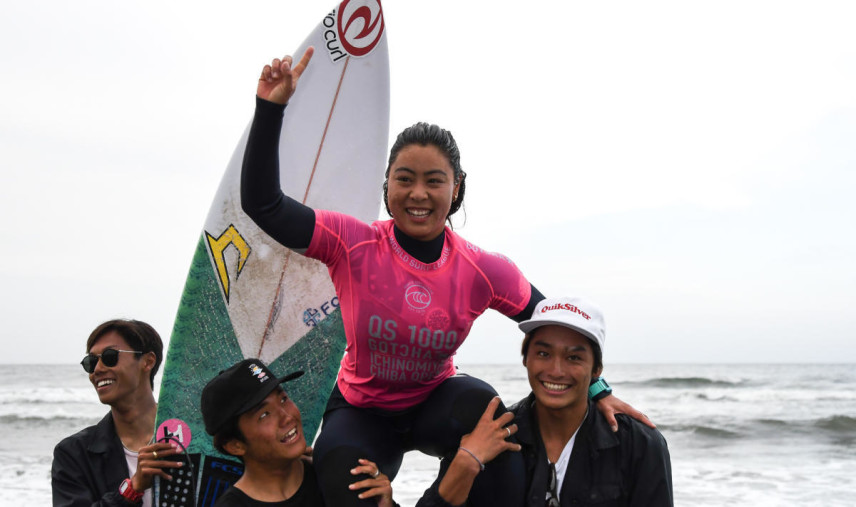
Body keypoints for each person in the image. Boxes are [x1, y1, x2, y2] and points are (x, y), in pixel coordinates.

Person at [241, 47, 650, 506]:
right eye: (404, 179)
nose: (419, 193)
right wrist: (269, 108)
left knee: (498, 426)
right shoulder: (351, 242)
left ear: (455, 189)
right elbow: (265, 206)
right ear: (388, 185)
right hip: (362, 410)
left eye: (434, 180)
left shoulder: (481, 269)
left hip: (437, 403)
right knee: (342, 484)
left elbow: (560, 330)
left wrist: (598, 390)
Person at [418, 296, 673, 506]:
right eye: (543, 353)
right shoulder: (492, 436)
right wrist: (465, 463)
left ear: (596, 369)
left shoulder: (638, 444)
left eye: (574, 358)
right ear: (525, 359)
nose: (556, 370)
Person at [200, 358, 395, 507]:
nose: (287, 417)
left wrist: (386, 503)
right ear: (235, 445)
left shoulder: (334, 477)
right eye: (264, 414)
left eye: (283, 399)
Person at [52, 319, 184, 507]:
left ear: (147, 361)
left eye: (109, 356)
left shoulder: (192, 437)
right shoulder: (73, 453)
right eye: (91, 362)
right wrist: (131, 491)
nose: (97, 370)